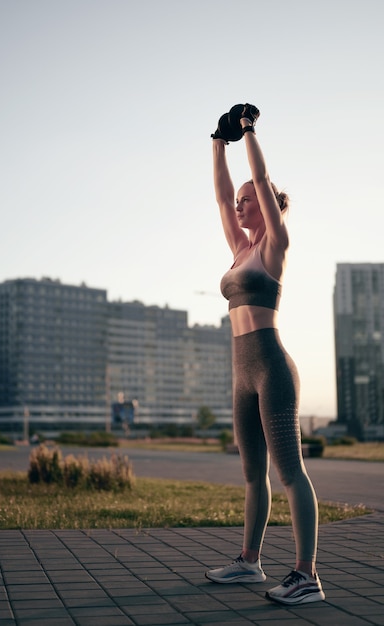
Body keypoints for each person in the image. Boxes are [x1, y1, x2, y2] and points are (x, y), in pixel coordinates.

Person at [205, 103, 325, 605]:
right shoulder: (237, 249)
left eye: (247, 199)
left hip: (272, 369)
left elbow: (260, 173)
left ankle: (306, 575)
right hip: (240, 372)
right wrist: (217, 142)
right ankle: (250, 563)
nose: (238, 204)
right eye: (239, 200)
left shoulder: (274, 244)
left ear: (268, 206)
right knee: (252, 474)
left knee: (289, 472)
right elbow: (218, 193)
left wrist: (249, 130)